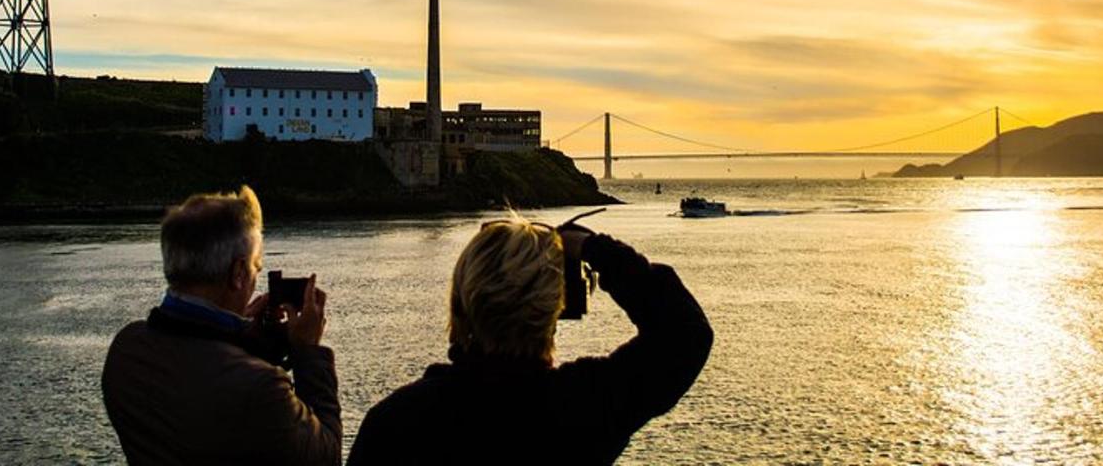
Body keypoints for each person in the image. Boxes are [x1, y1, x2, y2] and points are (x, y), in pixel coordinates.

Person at [347, 213, 713, 465]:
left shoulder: (396, 422)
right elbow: (684, 333)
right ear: (556, 305)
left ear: (461, 299)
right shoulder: (582, 408)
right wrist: (591, 249)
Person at [102, 186, 341, 465]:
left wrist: (241, 342)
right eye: (255, 268)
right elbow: (327, 456)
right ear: (238, 273)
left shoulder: (127, 348)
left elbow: (196, 381)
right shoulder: (262, 388)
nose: (254, 281)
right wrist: (309, 353)